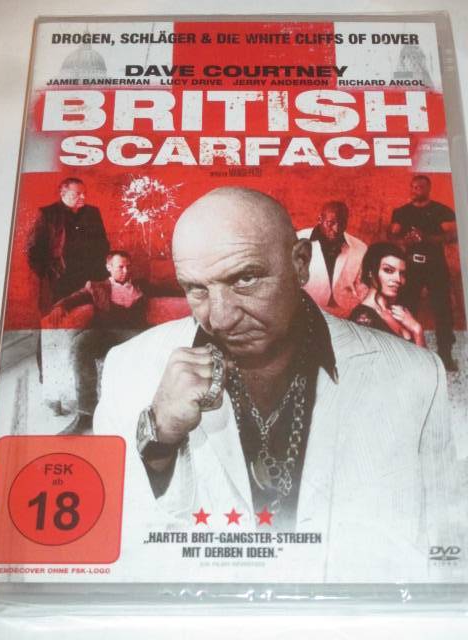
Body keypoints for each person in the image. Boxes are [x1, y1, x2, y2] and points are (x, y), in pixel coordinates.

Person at [94, 187, 459, 581]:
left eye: (245, 278)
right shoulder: (128, 369)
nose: (220, 318)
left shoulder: (416, 375)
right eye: (196, 288)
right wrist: (158, 442)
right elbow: (111, 550)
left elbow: (446, 554)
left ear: (301, 263)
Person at [47, 251, 149, 434]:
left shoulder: (141, 285)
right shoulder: (96, 287)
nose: (126, 271)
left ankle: (135, 415)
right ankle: (86, 415)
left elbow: (167, 290)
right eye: (120, 267)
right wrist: (59, 306)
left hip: (134, 334)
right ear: (109, 267)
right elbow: (75, 297)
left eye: (128, 266)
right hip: (105, 333)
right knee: (80, 344)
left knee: (145, 350)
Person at [390, 175, 458, 370]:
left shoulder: (440, 210)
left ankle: (445, 355)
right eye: (413, 187)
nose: (416, 190)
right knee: (405, 308)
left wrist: (426, 238)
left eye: (420, 187)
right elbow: (392, 236)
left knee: (443, 310)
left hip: (435, 266)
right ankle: (407, 354)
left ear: (428, 189)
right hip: (410, 266)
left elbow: (453, 235)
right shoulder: (402, 212)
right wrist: (405, 241)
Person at [27, 177, 109, 313]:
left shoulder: (93, 212)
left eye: (84, 193)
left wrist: (99, 270)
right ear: (63, 194)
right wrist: (49, 272)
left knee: (90, 314)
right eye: (78, 194)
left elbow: (103, 244)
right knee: (60, 315)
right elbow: (34, 248)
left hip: (90, 276)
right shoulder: (48, 213)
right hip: (60, 278)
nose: (83, 197)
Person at [297, 201, 366, 317]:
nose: (336, 229)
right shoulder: (297, 240)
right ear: (320, 219)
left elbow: (363, 288)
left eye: (342, 224)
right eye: (330, 223)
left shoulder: (360, 248)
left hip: (345, 314)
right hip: (305, 311)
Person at [349, 242, 425, 347]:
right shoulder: (362, 318)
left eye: (402, 273)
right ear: (371, 271)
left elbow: (424, 357)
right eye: (388, 270)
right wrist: (417, 330)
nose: (398, 279)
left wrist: (417, 329)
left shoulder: (401, 312)